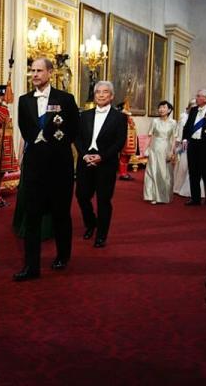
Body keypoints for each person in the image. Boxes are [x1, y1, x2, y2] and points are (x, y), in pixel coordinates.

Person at [12, 56, 80, 279]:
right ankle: (31, 266)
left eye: (39, 71)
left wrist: (53, 141)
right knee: (32, 216)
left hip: (60, 167)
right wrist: (39, 138)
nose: (35, 75)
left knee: (61, 214)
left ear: (50, 73)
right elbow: (24, 127)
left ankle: (62, 255)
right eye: (32, 71)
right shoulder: (24, 100)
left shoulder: (66, 99)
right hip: (34, 166)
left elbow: (74, 129)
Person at [75, 81, 128, 248]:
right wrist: (84, 156)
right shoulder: (84, 115)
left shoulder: (119, 117)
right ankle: (91, 223)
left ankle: (101, 235)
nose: (101, 94)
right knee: (82, 196)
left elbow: (119, 142)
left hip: (106, 163)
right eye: (98, 92)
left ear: (111, 96)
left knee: (104, 200)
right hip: (85, 162)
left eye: (105, 92)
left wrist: (101, 157)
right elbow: (77, 138)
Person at [143, 100, 177, 204]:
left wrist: (172, 152)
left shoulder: (173, 122)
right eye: (160, 107)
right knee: (152, 171)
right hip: (154, 148)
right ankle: (152, 195)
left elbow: (174, 138)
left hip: (166, 148)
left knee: (164, 173)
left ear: (169, 110)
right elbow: (149, 136)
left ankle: (163, 196)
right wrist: (145, 149)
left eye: (164, 107)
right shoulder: (155, 121)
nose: (161, 109)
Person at [172, 98, 205, 198]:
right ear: (189, 106)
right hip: (184, 145)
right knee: (183, 167)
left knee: (195, 169)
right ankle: (178, 188)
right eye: (193, 106)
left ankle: (192, 191)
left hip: (197, 145)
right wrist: (176, 145)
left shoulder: (201, 117)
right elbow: (179, 131)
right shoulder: (184, 116)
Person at [116, 101, 137, 180]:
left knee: (128, 157)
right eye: (126, 106)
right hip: (124, 140)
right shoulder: (121, 117)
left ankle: (125, 172)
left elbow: (132, 126)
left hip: (130, 140)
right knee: (123, 157)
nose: (128, 107)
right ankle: (122, 173)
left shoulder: (128, 117)